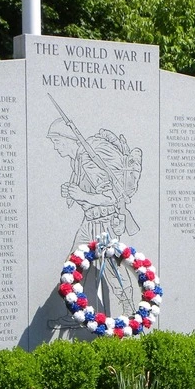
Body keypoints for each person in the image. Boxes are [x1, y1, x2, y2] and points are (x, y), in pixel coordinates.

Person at [47, 119, 142, 317]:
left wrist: (81, 195)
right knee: (73, 264)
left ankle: (129, 309)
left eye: (57, 141)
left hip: (103, 222)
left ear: (68, 139)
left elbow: (111, 197)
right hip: (89, 222)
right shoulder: (78, 160)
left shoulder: (89, 162)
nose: (56, 147)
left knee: (111, 270)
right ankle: (73, 312)